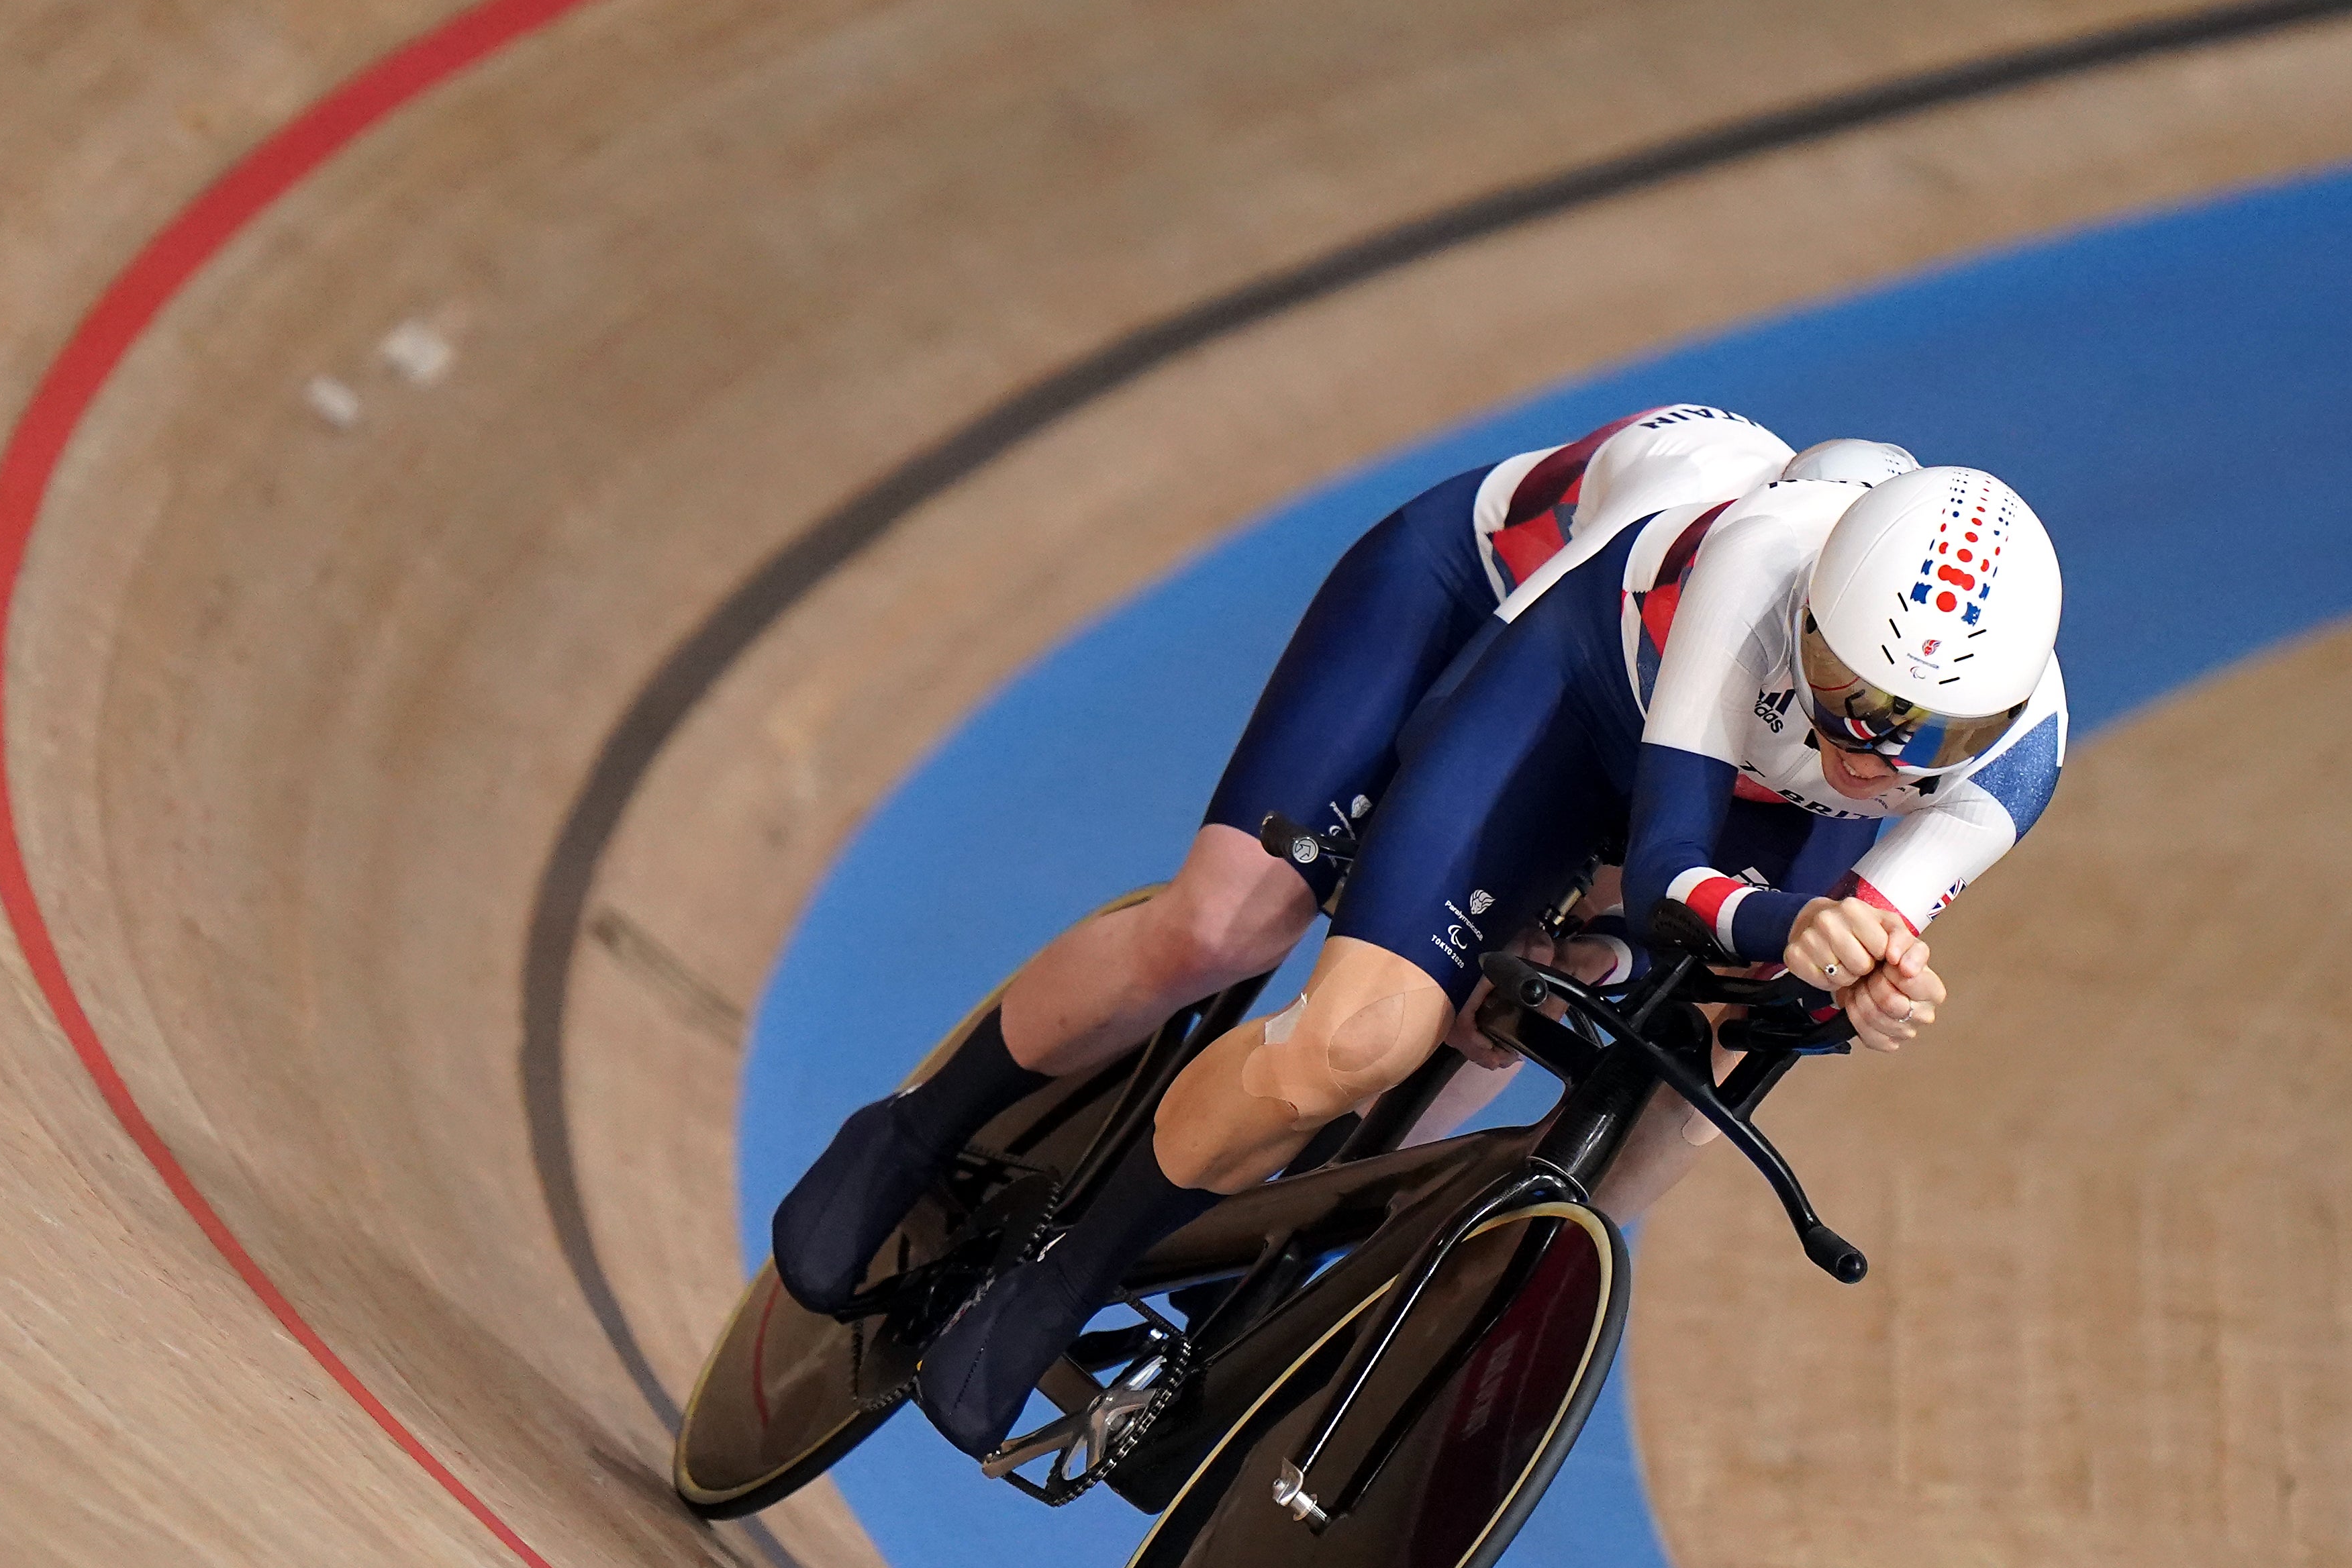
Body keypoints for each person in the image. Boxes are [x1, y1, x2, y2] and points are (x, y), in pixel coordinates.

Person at [907, 458, 2070, 1459]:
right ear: (1810, 616)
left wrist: (1865, 987)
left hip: (1766, 815)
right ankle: (1062, 1265)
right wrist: (1796, 932)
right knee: (1358, 1043)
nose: (1872, 752)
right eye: (1848, 696)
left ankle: (1390, 1354)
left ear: (1998, 720)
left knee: (1680, 1097)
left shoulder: (2020, 760)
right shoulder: (1764, 554)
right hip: (1582, 703)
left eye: (1925, 735)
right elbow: (1671, 864)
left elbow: (1854, 933)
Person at [767, 403, 1797, 1316]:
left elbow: (1676, 884)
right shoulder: (1690, 539)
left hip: (1604, 743)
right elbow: (1475, 712)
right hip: (1466, 607)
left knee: (1507, 1015)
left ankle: (1246, 1246)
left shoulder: (1838, 737)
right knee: (1225, 926)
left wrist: (1585, 954)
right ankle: (911, 1132)